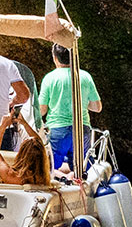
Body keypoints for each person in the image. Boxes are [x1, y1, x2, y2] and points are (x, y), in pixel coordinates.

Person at [37, 44, 102, 172]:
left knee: (48, 169)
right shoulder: (85, 76)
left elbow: (42, 110)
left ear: (55, 58)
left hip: (57, 130)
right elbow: (97, 107)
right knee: (83, 171)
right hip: (81, 130)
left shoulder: (49, 78)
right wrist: (82, 102)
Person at [0, 106, 52, 186]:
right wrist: (24, 123)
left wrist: (3, 125)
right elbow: (39, 144)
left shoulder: (10, 175)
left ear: (22, 153)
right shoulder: (43, 179)